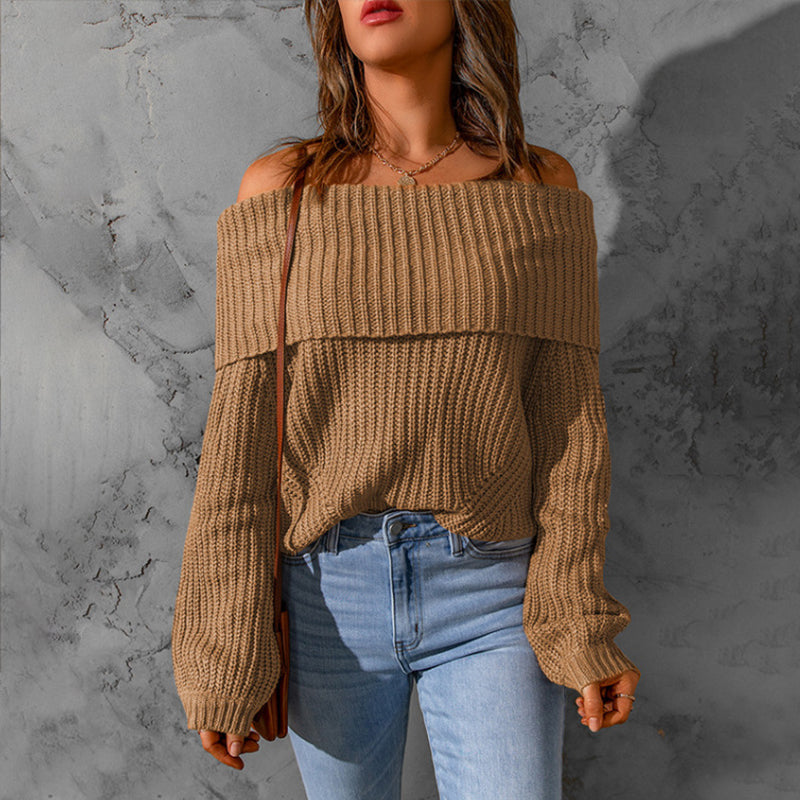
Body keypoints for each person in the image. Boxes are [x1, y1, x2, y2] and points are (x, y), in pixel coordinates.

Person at [170, 1, 641, 797]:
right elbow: (241, 436)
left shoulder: (536, 188)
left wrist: (578, 621)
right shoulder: (283, 192)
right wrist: (223, 648)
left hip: (492, 590)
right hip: (326, 595)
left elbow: (569, 431)